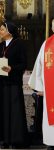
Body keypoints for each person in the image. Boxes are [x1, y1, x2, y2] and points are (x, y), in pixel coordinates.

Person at [0, 21, 29, 149]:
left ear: (9, 31)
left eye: (2, 29)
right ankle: (3, 139)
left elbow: (23, 64)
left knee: (14, 113)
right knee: (1, 111)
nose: (0, 32)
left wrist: (12, 68)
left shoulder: (19, 45)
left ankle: (15, 140)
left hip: (13, 84)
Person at [28, 19, 54, 150]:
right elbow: (39, 67)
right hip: (50, 90)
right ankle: (51, 142)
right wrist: (40, 87)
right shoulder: (47, 44)